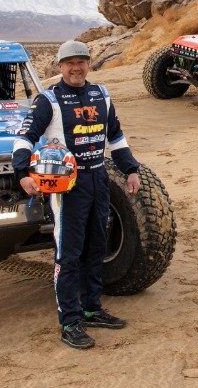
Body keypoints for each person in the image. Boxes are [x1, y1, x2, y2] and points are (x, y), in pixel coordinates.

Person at [13, 40, 142, 349]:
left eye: (81, 61)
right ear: (60, 67)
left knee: (96, 246)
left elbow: (116, 136)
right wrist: (22, 174)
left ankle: (91, 308)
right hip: (67, 186)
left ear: (88, 64)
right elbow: (25, 137)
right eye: (69, 62)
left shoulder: (102, 95)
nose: (76, 67)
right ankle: (70, 321)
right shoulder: (48, 100)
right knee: (69, 254)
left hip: (99, 177)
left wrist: (131, 169)